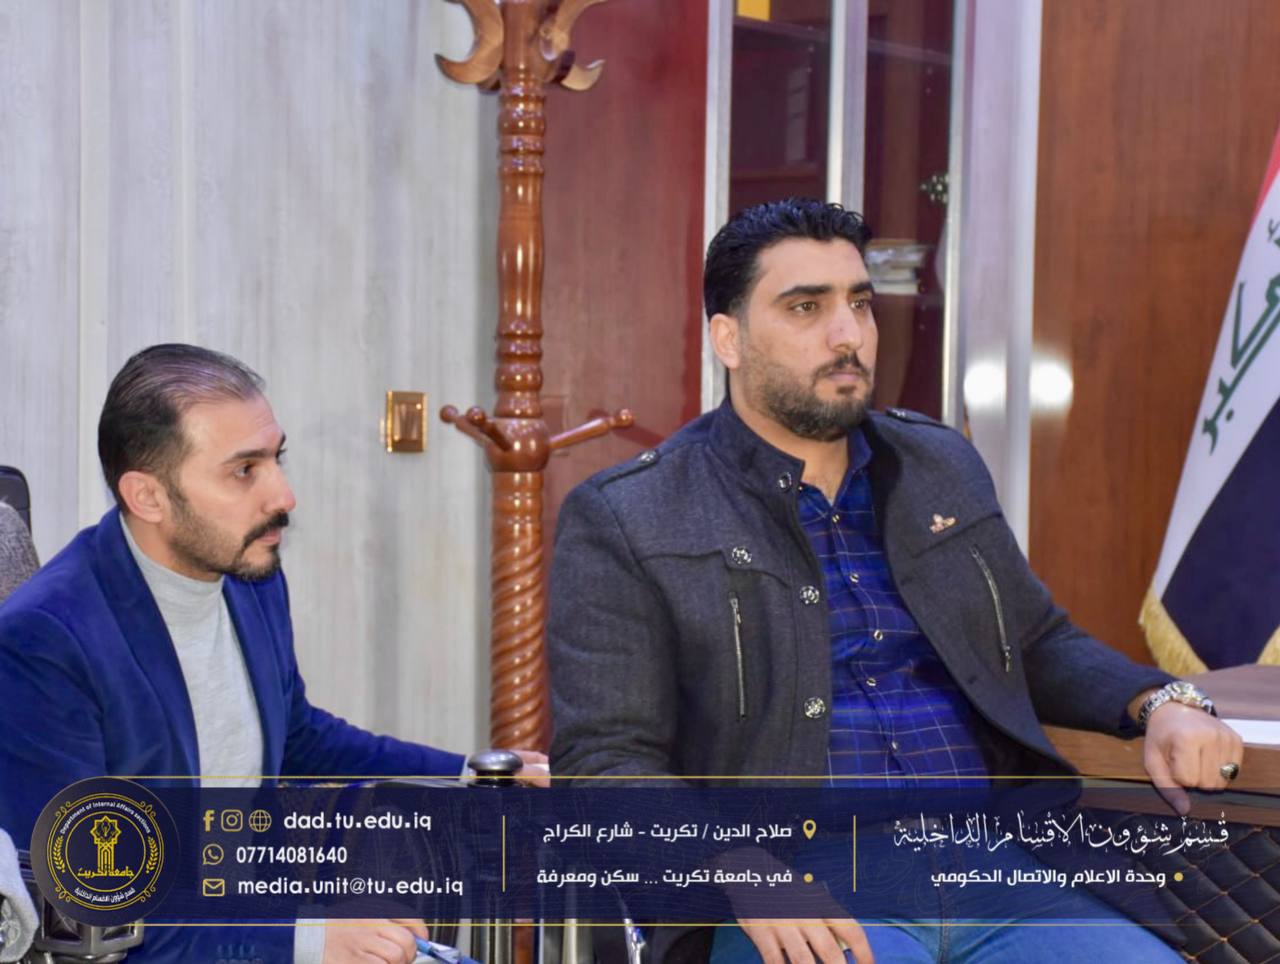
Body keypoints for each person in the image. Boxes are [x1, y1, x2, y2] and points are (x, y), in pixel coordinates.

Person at [546, 199, 1244, 963]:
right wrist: (733, 867)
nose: (847, 334)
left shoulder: (939, 464)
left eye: (859, 303)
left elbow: (1035, 642)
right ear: (729, 339)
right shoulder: (632, 514)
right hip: (796, 883)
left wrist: (1160, 703)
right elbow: (604, 759)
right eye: (806, 307)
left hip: (999, 866)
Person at [0, 344, 547, 964]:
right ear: (147, 496)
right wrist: (310, 940)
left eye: (275, 458)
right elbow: (80, 911)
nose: (283, 496)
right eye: (244, 470)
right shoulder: (43, 641)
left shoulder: (248, 574)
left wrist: (467, 776)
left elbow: (297, 736)